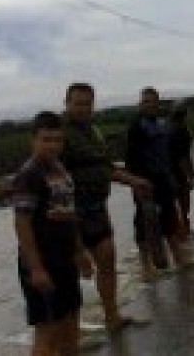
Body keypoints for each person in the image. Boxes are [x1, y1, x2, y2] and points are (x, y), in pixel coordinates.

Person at [60, 82, 151, 332]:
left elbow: (106, 168)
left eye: (88, 103)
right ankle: (72, 334)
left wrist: (133, 180)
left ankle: (112, 317)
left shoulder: (94, 131)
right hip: (69, 213)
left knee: (107, 260)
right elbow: (56, 184)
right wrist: (75, 240)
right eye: (78, 103)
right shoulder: (59, 135)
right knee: (70, 275)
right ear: (66, 104)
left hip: (97, 208)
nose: (83, 108)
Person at [11, 111, 92, 356]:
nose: (53, 145)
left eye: (58, 140)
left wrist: (79, 252)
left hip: (65, 258)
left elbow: (69, 214)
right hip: (42, 262)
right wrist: (35, 268)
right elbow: (21, 223)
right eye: (46, 139)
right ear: (33, 140)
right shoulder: (29, 174)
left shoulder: (60, 169)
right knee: (48, 332)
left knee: (71, 324)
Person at [125, 88, 194, 279]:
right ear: (141, 104)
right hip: (143, 180)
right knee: (144, 220)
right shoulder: (136, 126)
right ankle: (145, 264)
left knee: (170, 217)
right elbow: (130, 158)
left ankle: (178, 256)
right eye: (146, 101)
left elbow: (169, 155)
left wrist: (174, 177)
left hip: (163, 178)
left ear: (158, 104)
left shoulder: (163, 125)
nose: (149, 104)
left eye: (152, 101)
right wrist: (136, 182)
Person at [168, 103, 194, 240]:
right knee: (183, 204)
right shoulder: (181, 130)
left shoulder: (165, 127)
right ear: (184, 116)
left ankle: (178, 234)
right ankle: (184, 233)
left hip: (165, 172)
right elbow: (183, 156)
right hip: (178, 172)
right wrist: (190, 175)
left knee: (173, 207)